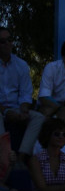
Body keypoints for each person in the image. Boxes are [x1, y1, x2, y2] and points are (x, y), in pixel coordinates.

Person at [0, 26, 44, 162]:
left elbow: (26, 92)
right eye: (3, 41)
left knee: (38, 117)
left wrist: (24, 111)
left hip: (16, 108)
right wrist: (6, 112)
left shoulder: (21, 65)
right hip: (1, 110)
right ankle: (5, 157)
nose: (8, 43)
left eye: (10, 40)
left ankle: (21, 157)